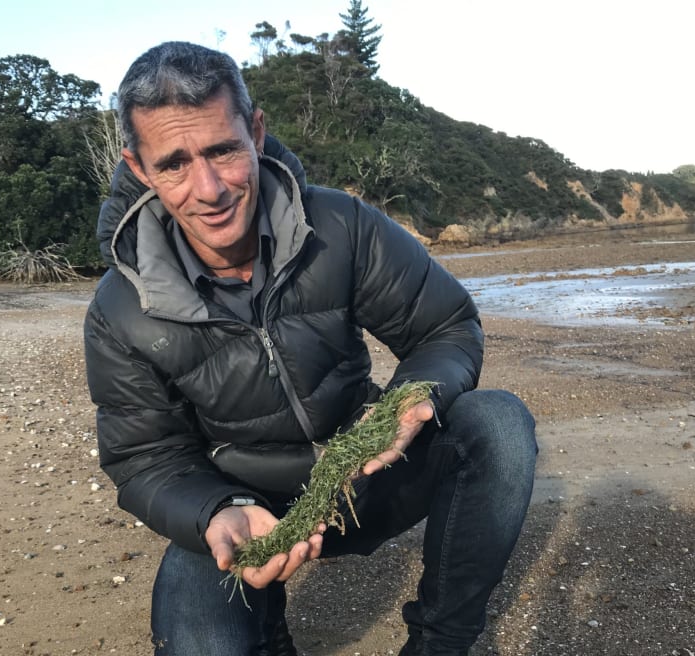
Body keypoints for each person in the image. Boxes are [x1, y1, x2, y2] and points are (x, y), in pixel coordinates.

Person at [83, 41, 538, 656]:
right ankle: (267, 634)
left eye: (223, 150)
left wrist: (411, 399)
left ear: (257, 132)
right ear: (139, 168)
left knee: (500, 424)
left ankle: (441, 642)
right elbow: (144, 458)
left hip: (370, 470)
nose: (209, 188)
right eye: (174, 164)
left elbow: (446, 326)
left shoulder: (340, 226)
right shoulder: (121, 308)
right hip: (247, 505)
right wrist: (218, 510)